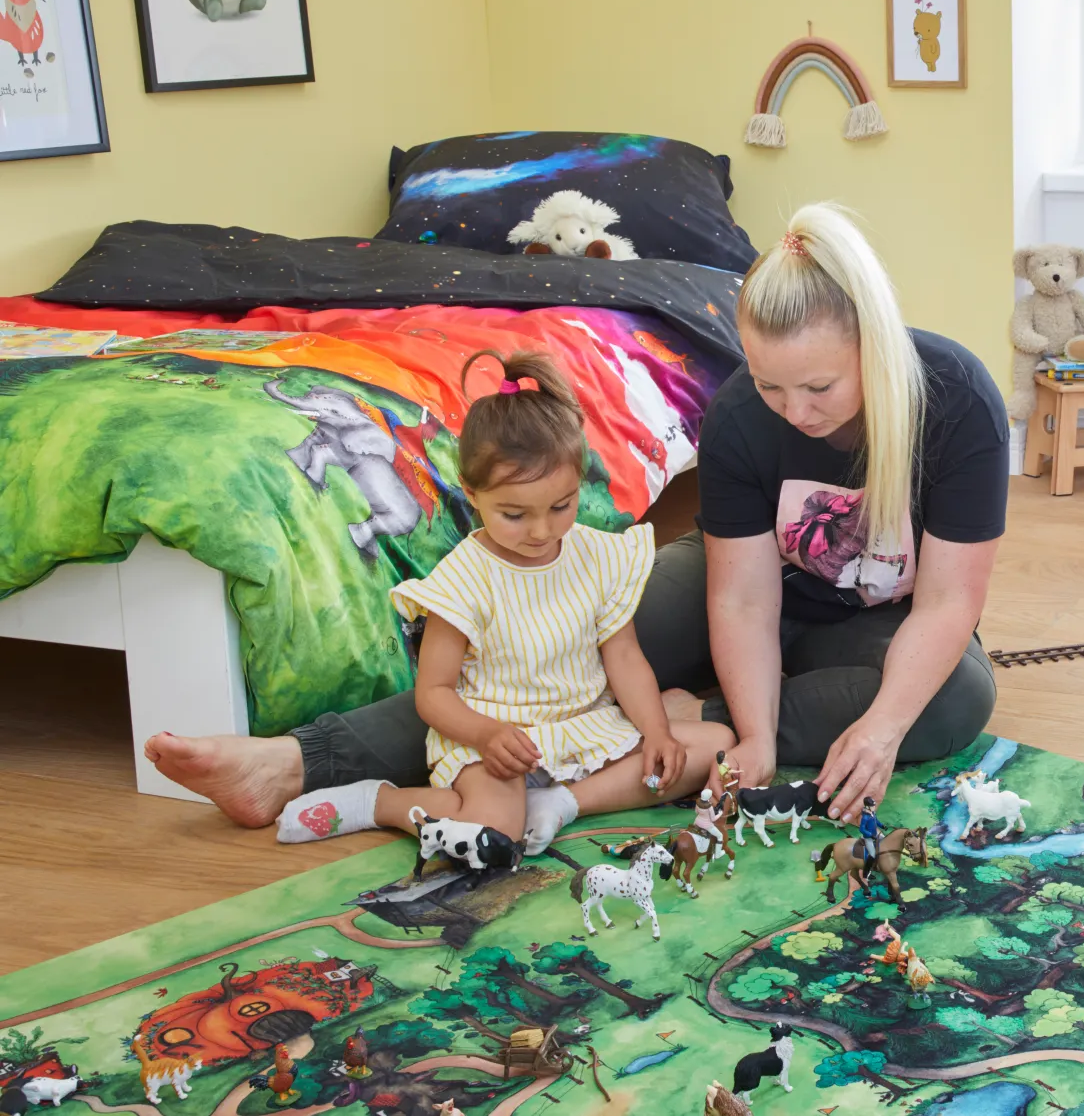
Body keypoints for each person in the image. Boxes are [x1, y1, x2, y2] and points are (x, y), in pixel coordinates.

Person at [144, 202, 1007, 842]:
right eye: (772, 385)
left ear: (873, 344)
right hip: (738, 597)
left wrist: (883, 723)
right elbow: (742, 602)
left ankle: (654, 716)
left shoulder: (956, 399)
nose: (794, 409)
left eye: (818, 388)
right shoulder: (745, 415)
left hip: (875, 624)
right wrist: (748, 737)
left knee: (956, 695)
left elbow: (943, 603)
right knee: (536, 638)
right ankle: (293, 761)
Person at [267, 351, 733, 847]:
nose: (541, 530)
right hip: (493, 743)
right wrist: (488, 736)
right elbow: (434, 694)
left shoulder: (597, 555)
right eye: (514, 514)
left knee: (714, 746)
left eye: (561, 506)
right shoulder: (463, 580)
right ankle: (379, 802)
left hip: (583, 728)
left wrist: (657, 732)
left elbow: (624, 657)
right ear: (471, 492)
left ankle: (563, 802)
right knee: (492, 834)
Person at [856, 796, 883, 871]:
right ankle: (866, 872)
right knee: (872, 854)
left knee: (885, 839)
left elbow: (876, 821)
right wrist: (870, 835)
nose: (874, 807)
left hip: (875, 834)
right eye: (872, 806)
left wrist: (882, 826)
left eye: (874, 805)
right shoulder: (865, 817)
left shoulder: (873, 813)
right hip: (868, 838)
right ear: (867, 807)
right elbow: (861, 829)